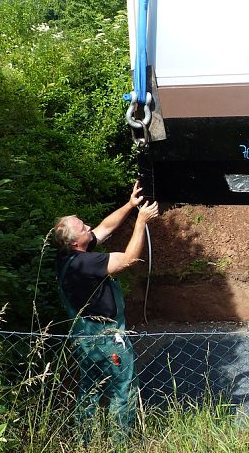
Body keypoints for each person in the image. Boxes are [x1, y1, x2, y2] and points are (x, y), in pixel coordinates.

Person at [51, 181, 159, 432]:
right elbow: (130, 259)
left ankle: (85, 439)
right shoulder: (87, 264)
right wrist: (141, 221)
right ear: (76, 242)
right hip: (108, 338)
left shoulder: (66, 257)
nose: (89, 227)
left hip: (85, 337)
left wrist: (131, 205)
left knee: (89, 389)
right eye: (83, 228)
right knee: (123, 388)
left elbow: (105, 228)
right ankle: (119, 442)